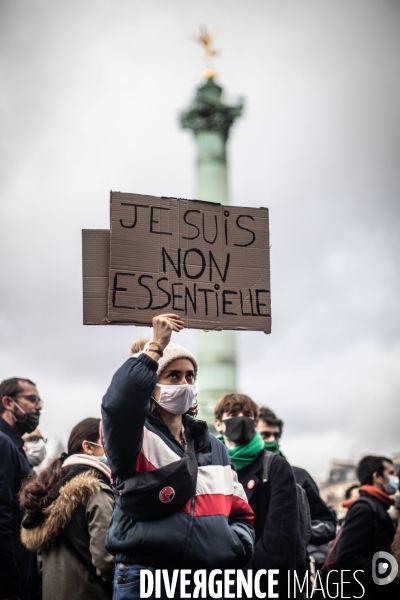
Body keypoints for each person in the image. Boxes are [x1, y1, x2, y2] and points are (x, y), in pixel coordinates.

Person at [101, 314, 254, 600]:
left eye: (190, 376)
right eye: (173, 375)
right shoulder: (135, 439)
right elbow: (117, 404)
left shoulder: (214, 447)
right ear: (151, 384)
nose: (184, 383)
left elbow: (240, 509)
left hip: (208, 582)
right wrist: (156, 346)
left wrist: (236, 545)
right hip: (147, 577)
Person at [214, 393, 301, 598]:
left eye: (248, 414)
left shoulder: (274, 466)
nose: (242, 419)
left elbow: (279, 540)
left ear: (255, 423)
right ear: (218, 424)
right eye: (234, 414)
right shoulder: (209, 466)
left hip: (262, 586)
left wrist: (238, 581)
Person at [19, 417, 114, 600]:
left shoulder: (49, 490)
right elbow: (106, 560)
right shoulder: (95, 489)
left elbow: (40, 564)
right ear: (88, 447)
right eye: (110, 441)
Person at [256, 406, 336, 570]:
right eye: (265, 434)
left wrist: (295, 532)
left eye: (276, 435)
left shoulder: (299, 477)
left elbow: (327, 524)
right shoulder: (235, 473)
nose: (272, 440)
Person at [0, 376, 42, 600]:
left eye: (39, 401)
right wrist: (8, 582)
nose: (38, 406)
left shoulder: (15, 448)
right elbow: (1, 517)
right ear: (8, 403)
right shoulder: (3, 444)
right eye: (32, 399)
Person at [337, 455, 400, 599]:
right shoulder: (364, 508)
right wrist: (387, 573)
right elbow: (346, 556)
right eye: (390, 473)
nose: (394, 479)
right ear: (376, 476)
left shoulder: (376, 506)